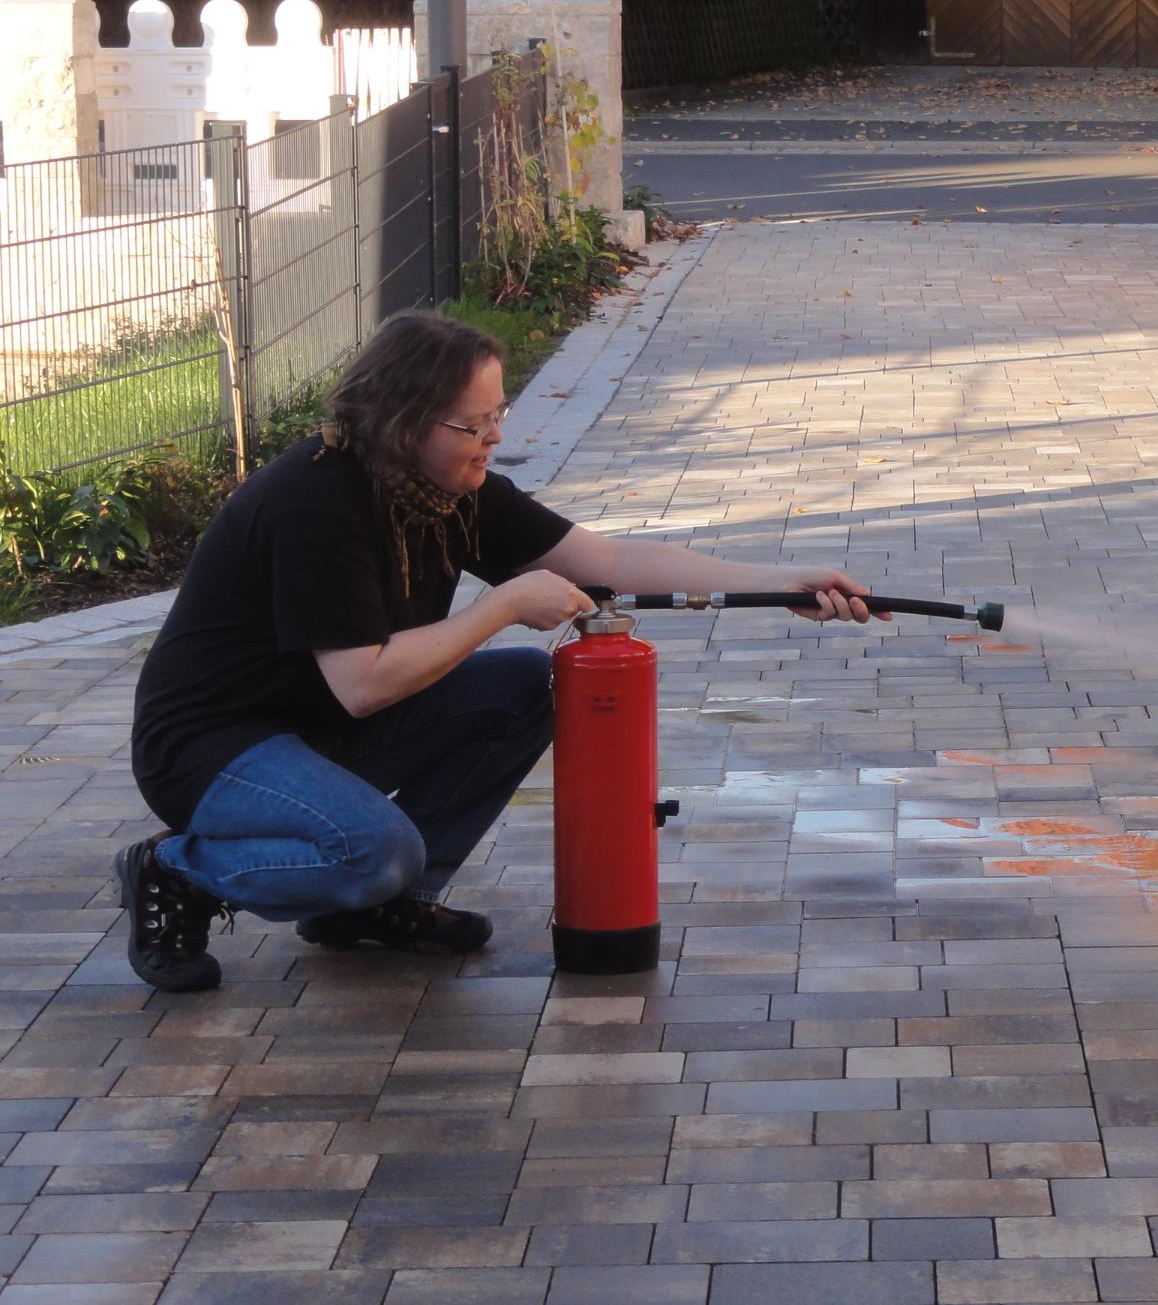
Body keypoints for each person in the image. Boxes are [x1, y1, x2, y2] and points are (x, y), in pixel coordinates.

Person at [121, 310, 878, 993]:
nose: (496, 438)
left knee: (527, 684)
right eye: (474, 424)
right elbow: (364, 684)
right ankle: (179, 872)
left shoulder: (445, 488)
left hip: (313, 732)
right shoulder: (316, 503)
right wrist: (504, 605)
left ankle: (380, 913)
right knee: (374, 853)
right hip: (212, 748)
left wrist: (780, 582)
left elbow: (608, 562)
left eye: (498, 414)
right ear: (403, 423)